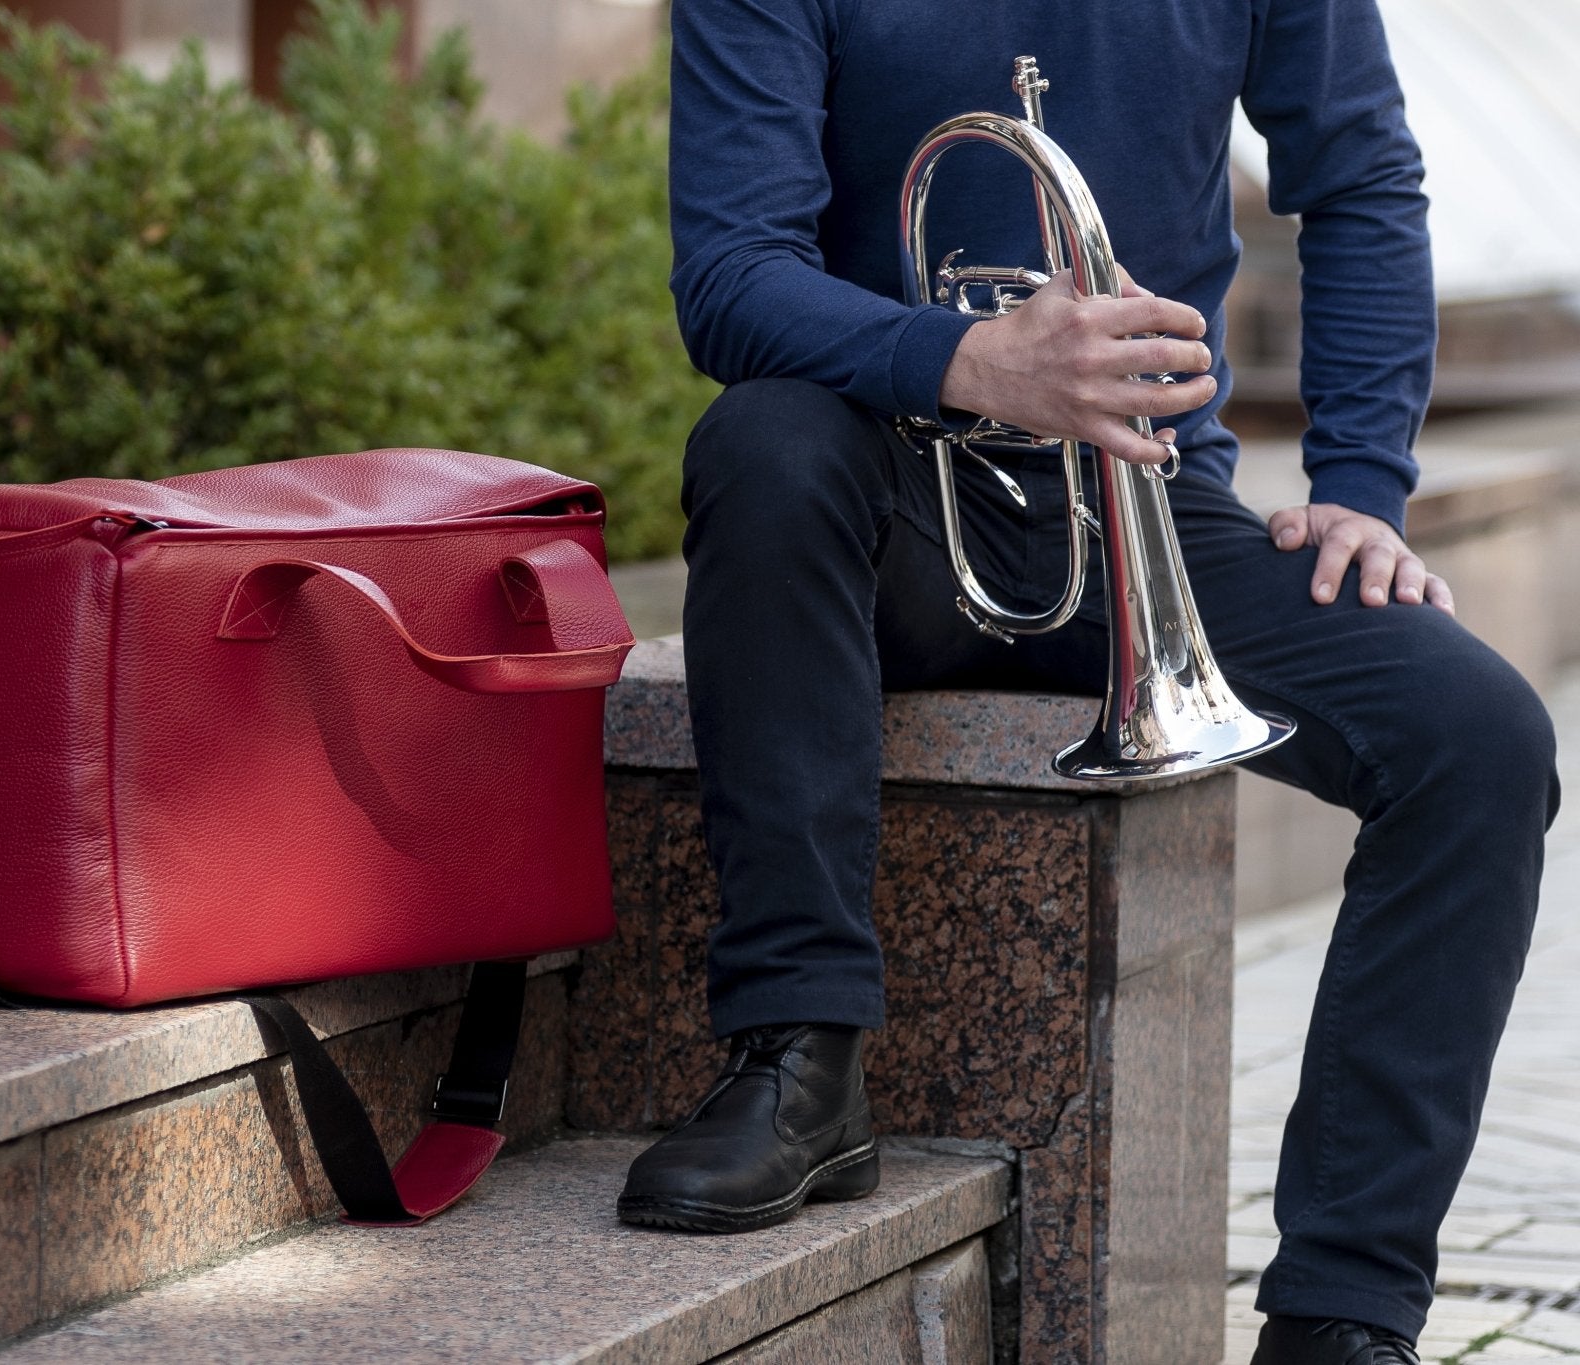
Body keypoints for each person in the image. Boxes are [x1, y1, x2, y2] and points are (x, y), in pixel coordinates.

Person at [614, 3, 1563, 1362]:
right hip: (883, 496)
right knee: (758, 445)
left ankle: (1343, 1310)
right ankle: (799, 1058)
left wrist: (1362, 482)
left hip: (1146, 501)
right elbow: (729, 271)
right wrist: (974, 360)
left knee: (1480, 743)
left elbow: (1359, 176)